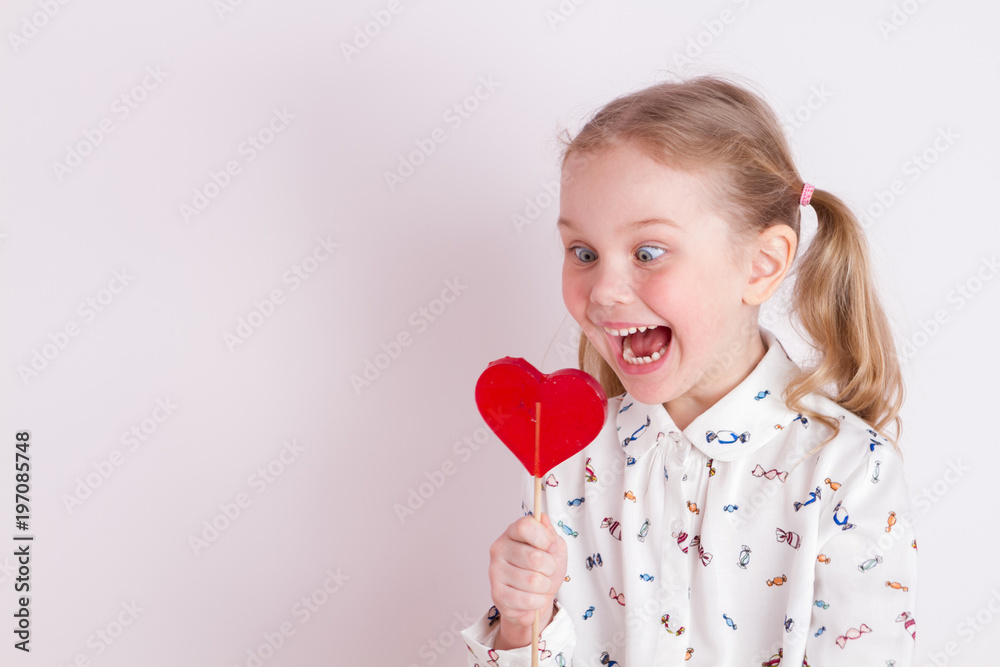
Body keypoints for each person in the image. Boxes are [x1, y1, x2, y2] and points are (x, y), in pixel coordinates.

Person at [461, 74, 917, 666]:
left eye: (648, 252)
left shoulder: (848, 469)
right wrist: (524, 624)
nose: (603, 290)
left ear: (761, 264)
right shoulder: (568, 457)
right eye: (583, 253)